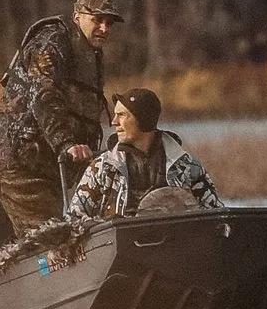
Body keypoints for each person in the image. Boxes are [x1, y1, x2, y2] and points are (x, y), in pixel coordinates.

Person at [0, 0, 121, 237]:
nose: (104, 28)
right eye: (97, 20)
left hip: (48, 164)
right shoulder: (52, 42)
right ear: (77, 17)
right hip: (19, 165)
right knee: (51, 242)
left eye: (109, 23)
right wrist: (66, 142)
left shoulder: (89, 51)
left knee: (79, 230)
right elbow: (43, 94)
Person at [68, 86, 222, 218]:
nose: (114, 122)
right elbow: (73, 221)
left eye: (121, 115)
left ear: (143, 120)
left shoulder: (187, 167)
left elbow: (217, 217)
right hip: (121, 249)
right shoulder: (103, 168)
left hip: (177, 247)